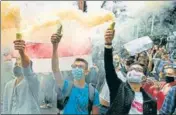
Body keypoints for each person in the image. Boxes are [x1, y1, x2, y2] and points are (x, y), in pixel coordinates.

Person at [103, 28, 157, 115]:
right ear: (127, 73)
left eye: (138, 70)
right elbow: (108, 67)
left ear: (143, 77)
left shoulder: (151, 101)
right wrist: (108, 44)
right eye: (132, 69)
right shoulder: (118, 88)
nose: (135, 71)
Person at [51, 33, 100, 114]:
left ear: (86, 71)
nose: (77, 68)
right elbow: (55, 69)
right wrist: (55, 47)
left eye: (80, 67)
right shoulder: (65, 86)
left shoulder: (93, 92)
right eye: (75, 66)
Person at [2, 39, 40, 114]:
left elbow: (27, 71)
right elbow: (5, 108)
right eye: (16, 60)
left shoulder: (33, 81)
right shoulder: (9, 85)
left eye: (20, 60)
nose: (16, 62)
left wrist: (22, 53)